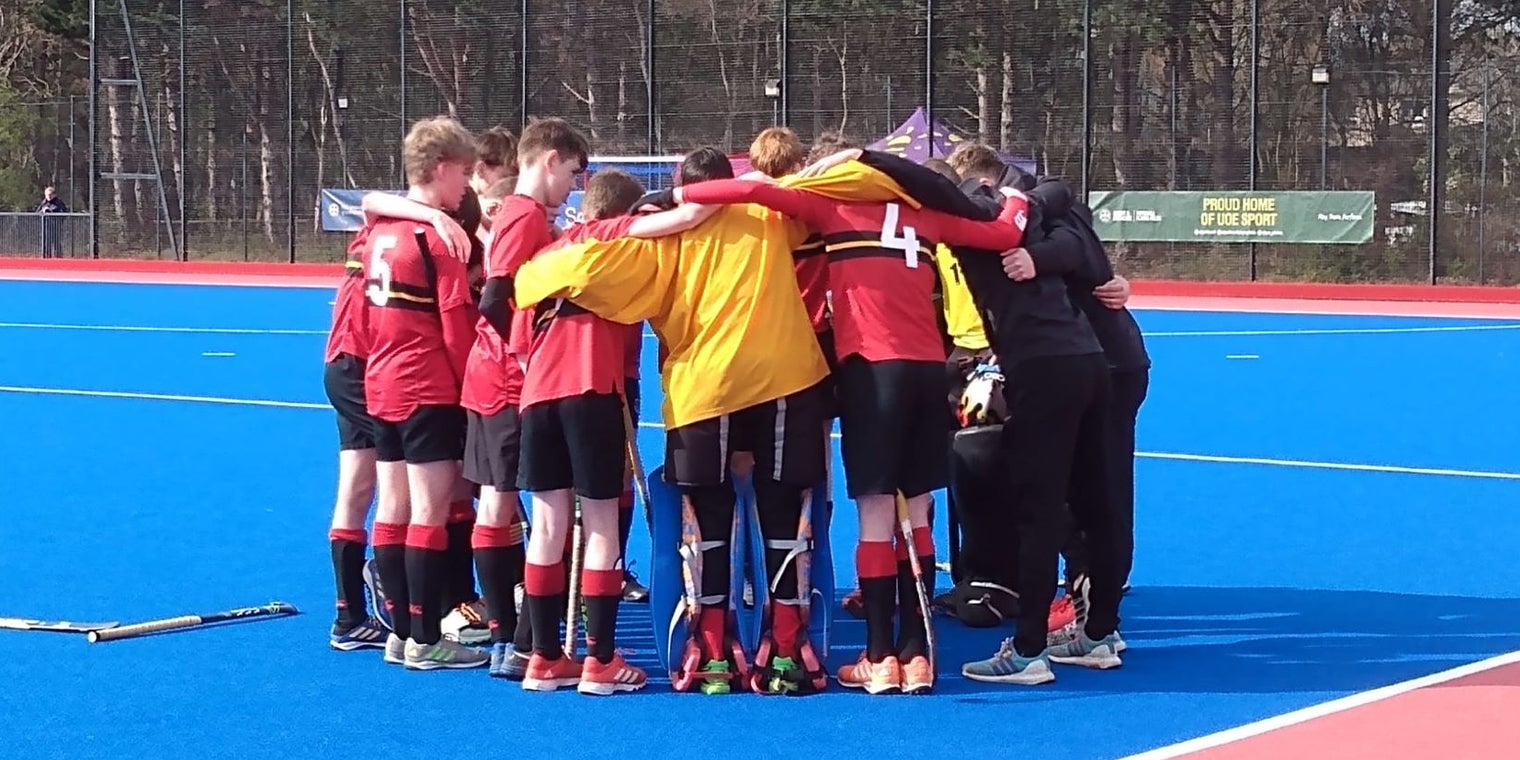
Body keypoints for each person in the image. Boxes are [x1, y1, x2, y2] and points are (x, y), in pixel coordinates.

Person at [670, 148, 1031, 695]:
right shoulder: (925, 217)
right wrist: (1020, 197)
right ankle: (918, 655)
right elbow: (1006, 233)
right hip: (929, 370)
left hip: (870, 372)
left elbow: (749, 190)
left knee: (876, 513)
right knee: (918, 511)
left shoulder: (833, 209)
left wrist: (680, 198)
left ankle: (879, 656)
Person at [513, 168, 718, 695]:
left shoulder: (549, 254)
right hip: (592, 389)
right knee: (602, 523)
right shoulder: (619, 242)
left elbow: (519, 337)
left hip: (537, 394)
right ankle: (600, 660)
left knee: (549, 525)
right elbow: (686, 220)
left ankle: (543, 656)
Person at [943, 143, 1125, 685]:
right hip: (1088, 359)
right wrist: (1025, 209)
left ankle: (1027, 652)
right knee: (1098, 502)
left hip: (1044, 368)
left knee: (1040, 511)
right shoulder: (1027, 222)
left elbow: (1057, 203)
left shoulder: (972, 228)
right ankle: (1099, 634)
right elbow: (1063, 207)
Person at [458, 117, 588, 680]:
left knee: (505, 503)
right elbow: (495, 297)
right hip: (509, 379)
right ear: (550, 159)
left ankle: (511, 636)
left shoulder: (527, 215)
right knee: (517, 504)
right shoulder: (524, 212)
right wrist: (528, 352)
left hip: (497, 375)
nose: (574, 188)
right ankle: (512, 638)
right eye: (574, 174)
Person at [361, 115, 487, 670]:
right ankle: (425, 637)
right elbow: (458, 327)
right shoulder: (437, 238)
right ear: (441, 168)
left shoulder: (377, 232)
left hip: (382, 382)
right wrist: (473, 390)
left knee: (391, 509)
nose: (467, 184)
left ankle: (399, 632)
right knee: (431, 513)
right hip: (428, 384)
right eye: (462, 171)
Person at [36, 187, 67, 258]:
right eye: (47, 195)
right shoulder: (44, 202)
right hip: (46, 227)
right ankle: (47, 257)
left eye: (50, 194)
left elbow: (63, 212)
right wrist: (43, 211)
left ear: (54, 195)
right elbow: (37, 212)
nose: (48, 196)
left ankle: (58, 258)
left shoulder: (59, 202)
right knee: (46, 243)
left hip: (56, 226)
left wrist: (52, 212)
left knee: (57, 243)